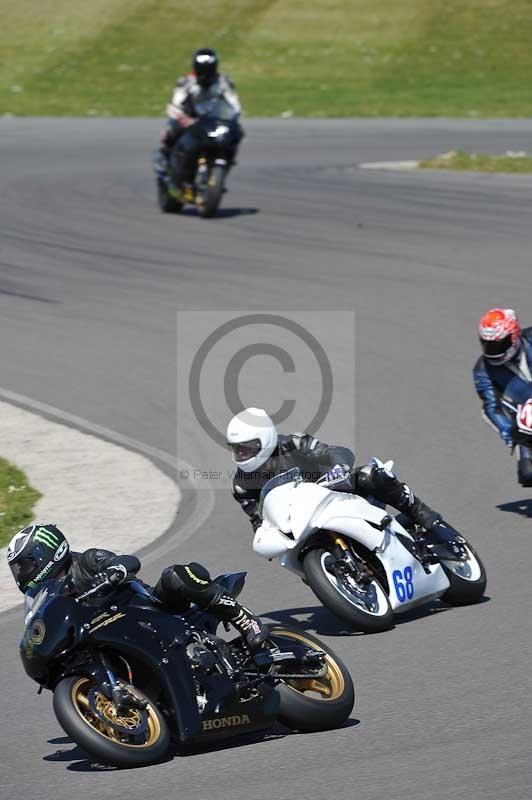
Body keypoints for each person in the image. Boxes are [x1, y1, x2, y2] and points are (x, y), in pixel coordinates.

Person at [7, 523, 267, 650]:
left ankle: (244, 619)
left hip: (152, 611)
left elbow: (127, 561)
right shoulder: (45, 599)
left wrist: (114, 571)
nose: (22, 574)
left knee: (174, 576)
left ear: (47, 551)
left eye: (25, 565)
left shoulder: (85, 561)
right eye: (17, 569)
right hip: (116, 639)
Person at [226, 407, 442, 533]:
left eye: (247, 448)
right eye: (237, 449)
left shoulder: (294, 443)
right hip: (302, 520)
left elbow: (334, 452)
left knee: (369, 475)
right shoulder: (242, 486)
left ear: (265, 439)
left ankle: (421, 513)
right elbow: (259, 522)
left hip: (335, 490)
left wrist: (338, 468)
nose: (242, 454)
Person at [154, 47, 243, 201]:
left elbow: (234, 104)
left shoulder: (224, 82)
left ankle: (224, 165)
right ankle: (166, 164)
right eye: (202, 70)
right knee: (171, 133)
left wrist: (233, 117)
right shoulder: (186, 81)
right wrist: (183, 118)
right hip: (188, 119)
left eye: (209, 70)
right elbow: (176, 104)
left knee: (237, 133)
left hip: (213, 120)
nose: (205, 75)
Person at [473, 308, 532, 487]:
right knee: (527, 473)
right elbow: (491, 407)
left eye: (498, 344)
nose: (492, 350)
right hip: (526, 421)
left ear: (513, 336)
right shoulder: (483, 369)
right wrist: (510, 432)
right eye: (487, 344)